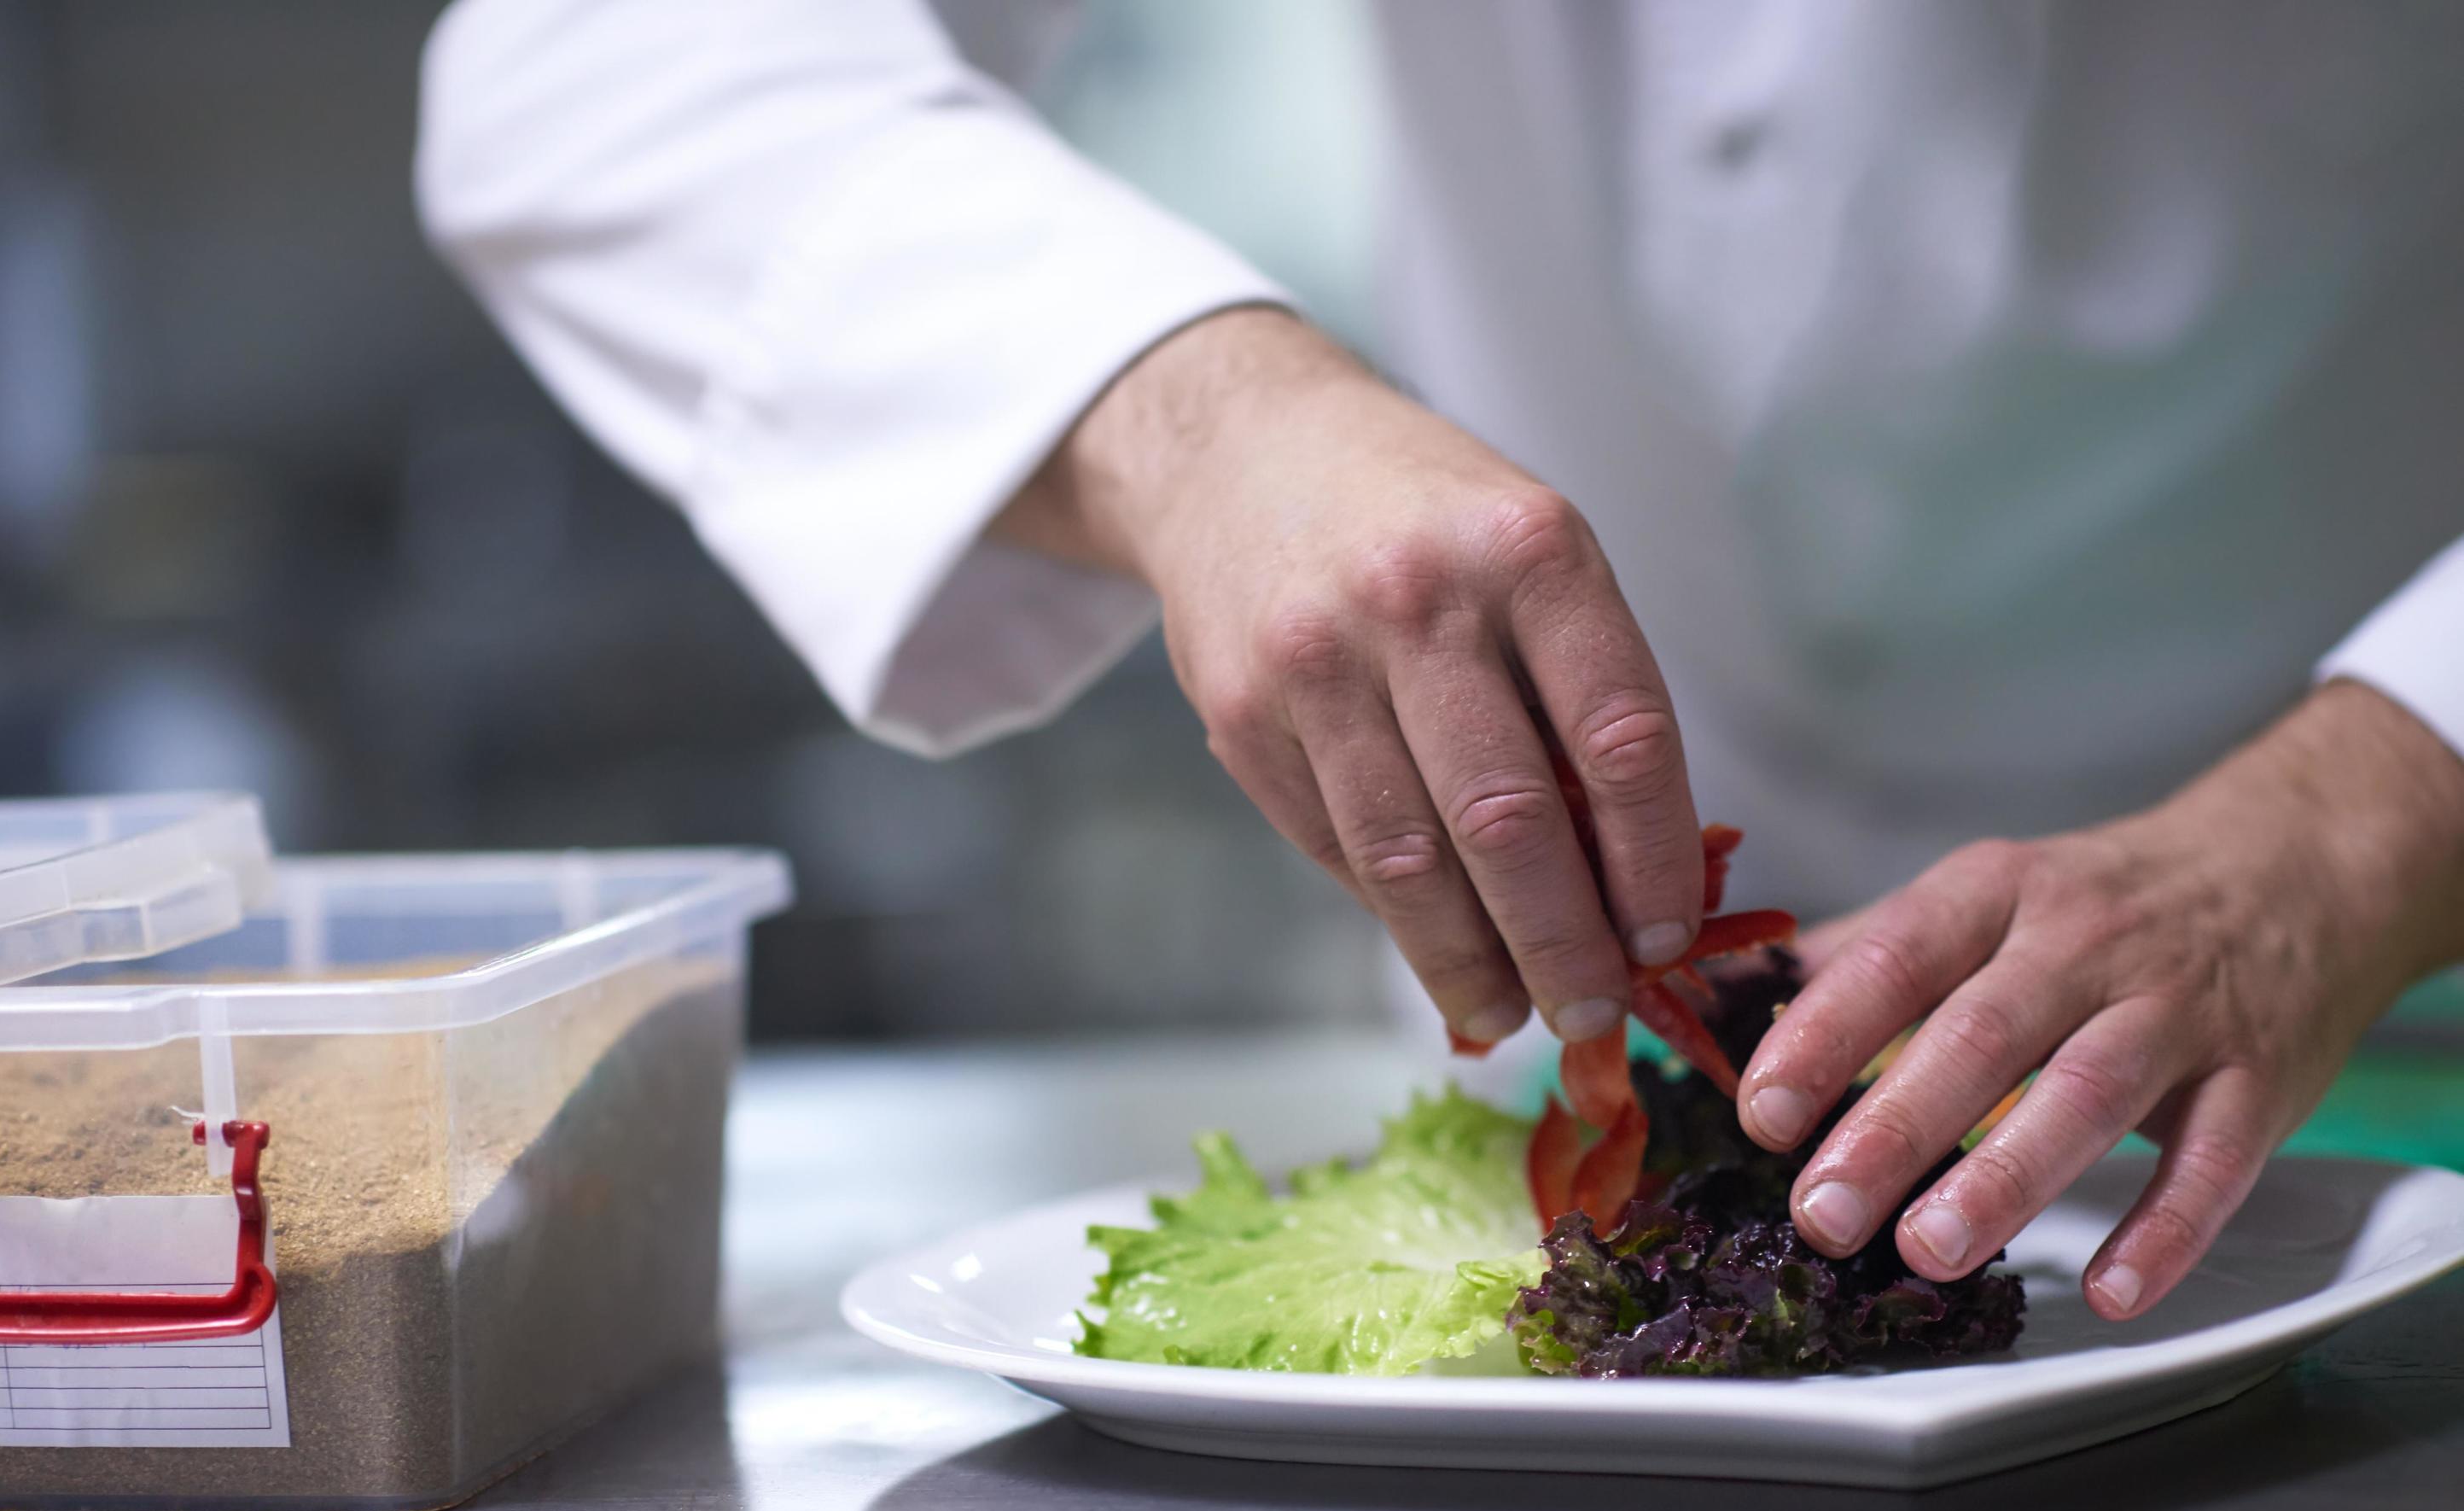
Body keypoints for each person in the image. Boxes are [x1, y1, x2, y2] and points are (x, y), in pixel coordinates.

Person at [414, 0, 2464, 1322]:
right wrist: (1193, 411)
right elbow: (595, 64)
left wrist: (2360, 822)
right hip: (1617, 1077)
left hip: (2398, 993)